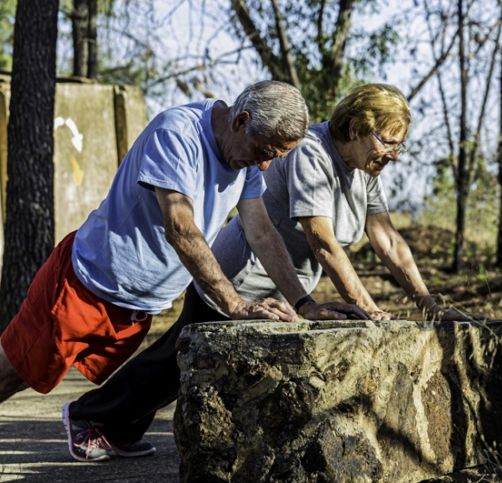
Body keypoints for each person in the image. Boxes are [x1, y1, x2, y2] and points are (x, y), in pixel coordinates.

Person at [63, 83, 470, 462]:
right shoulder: (311, 152)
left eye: (399, 146)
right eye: (388, 142)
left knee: (178, 364)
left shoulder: (364, 170)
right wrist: (365, 307)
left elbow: (389, 240)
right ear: (357, 127)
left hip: (284, 288)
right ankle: (88, 415)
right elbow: (321, 240)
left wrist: (428, 301)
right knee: (173, 364)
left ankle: (118, 428)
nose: (393, 154)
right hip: (239, 278)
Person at [0, 80, 362, 461]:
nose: (265, 164)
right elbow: (180, 227)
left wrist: (304, 303)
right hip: (86, 285)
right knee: (15, 373)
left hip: (134, 304)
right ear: (242, 120)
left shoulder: (247, 161)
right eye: (263, 151)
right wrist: (234, 304)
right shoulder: (178, 133)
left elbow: (263, 233)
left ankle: (109, 428)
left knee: (150, 370)